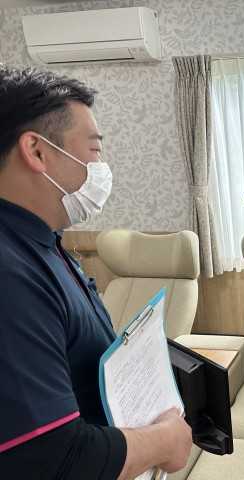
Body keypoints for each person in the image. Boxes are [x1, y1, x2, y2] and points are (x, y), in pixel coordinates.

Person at [0, 66, 192, 479]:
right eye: (94, 149)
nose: (100, 166)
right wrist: (164, 441)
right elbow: (54, 458)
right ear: (36, 152)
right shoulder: (9, 275)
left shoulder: (46, 243)